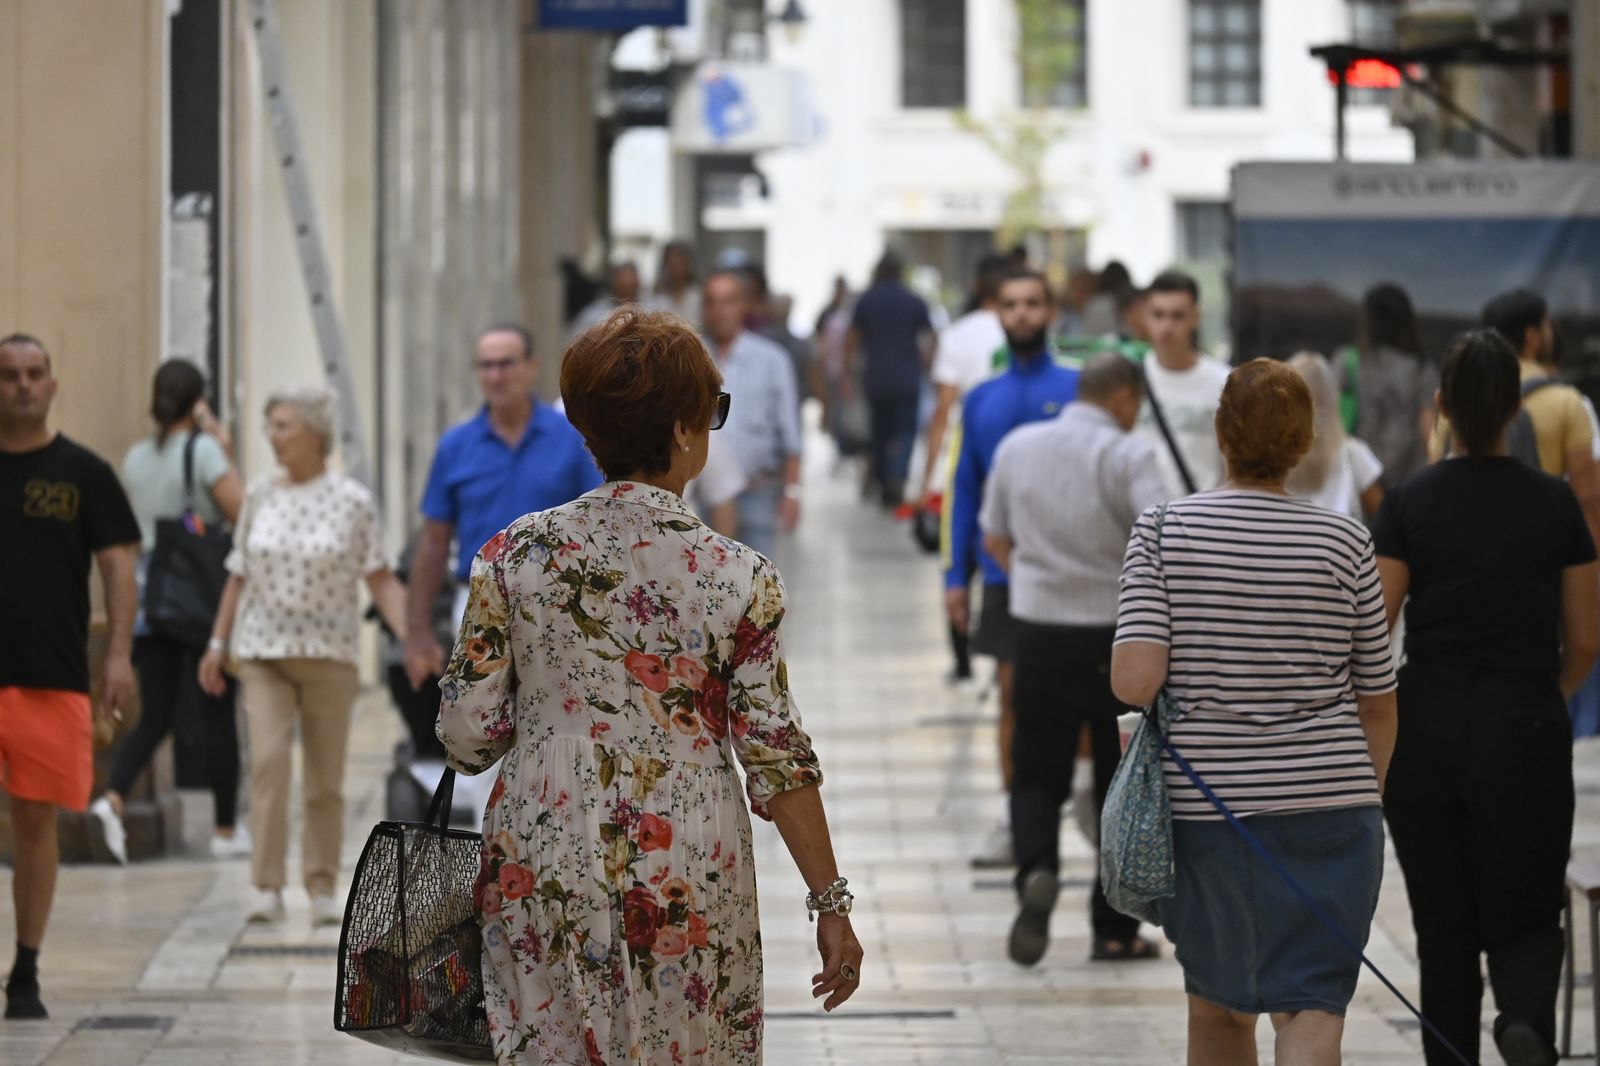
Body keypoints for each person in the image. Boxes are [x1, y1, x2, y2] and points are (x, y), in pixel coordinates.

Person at [437, 308, 862, 1064]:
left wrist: (547, 717)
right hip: (686, 859)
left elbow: (467, 734)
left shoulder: (512, 556)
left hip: (542, 848)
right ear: (682, 432)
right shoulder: (739, 577)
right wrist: (830, 904)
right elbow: (777, 759)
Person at [1111, 358, 1399, 1065]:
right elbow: (1379, 701)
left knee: (1220, 1007)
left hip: (1210, 815)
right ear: (1304, 442)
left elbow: (1134, 683)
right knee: (1312, 1008)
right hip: (1335, 810)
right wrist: (1361, 799)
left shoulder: (1164, 530)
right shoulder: (1346, 540)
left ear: (1220, 432)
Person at [1374, 330, 1600, 1066]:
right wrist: (1547, 690)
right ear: (1513, 411)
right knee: (1529, 904)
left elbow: (1374, 629)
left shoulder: (1408, 502)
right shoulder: (1556, 506)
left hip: (1429, 728)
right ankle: (1524, 1019)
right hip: (1526, 723)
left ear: (1441, 406)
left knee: (1444, 926)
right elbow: (1588, 638)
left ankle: (1452, 1055)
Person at [197, 386, 409, 925]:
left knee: (324, 779)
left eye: (284, 425)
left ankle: (319, 886)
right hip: (264, 651)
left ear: (316, 434)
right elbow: (237, 573)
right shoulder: (261, 496)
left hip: (329, 656)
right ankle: (266, 886)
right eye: (271, 426)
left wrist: (415, 641)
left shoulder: (352, 501)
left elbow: (380, 579)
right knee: (267, 764)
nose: (273, 436)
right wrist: (217, 643)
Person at [980, 353, 1166, 965]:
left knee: (1036, 770)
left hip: (1038, 633)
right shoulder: (1129, 455)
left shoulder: (1019, 446)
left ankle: (1037, 868)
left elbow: (995, 537)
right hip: (1119, 641)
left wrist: (1037, 583)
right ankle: (1112, 928)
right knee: (1120, 781)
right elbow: (1162, 537)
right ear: (1123, 398)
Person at [0, 334, 140, 1019]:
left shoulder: (84, 472)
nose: (22, 386)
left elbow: (118, 566)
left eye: (33, 375)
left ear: (52, 384)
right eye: (8, 376)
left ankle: (24, 970)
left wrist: (116, 656)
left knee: (35, 820)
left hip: (50, 675)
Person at [946, 269, 1081, 867]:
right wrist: (957, 575)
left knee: (1082, 700)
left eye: (1032, 304)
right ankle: (1014, 818)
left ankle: (1079, 801)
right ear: (997, 313)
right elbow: (966, 489)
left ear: (1051, 312)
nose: (1022, 314)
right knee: (1011, 697)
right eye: (1011, 304)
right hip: (1005, 578)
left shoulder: (1082, 391)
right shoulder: (981, 398)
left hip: (1076, 577)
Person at [90, 360, 247, 865]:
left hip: (152, 597)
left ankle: (112, 798)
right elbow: (243, 515)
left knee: (155, 713)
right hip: (202, 600)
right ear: (197, 401)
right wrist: (222, 446)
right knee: (218, 710)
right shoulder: (202, 451)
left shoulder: (136, 457)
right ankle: (224, 831)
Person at [403, 324, 601, 690]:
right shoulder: (455, 446)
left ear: (532, 366)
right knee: (480, 720)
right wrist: (416, 633)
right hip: (478, 603)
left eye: (506, 364)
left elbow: (598, 528)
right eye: (486, 366)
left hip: (557, 602)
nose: (496, 376)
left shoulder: (572, 439)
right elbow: (433, 543)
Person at [920, 254, 1008, 688]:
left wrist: (926, 479)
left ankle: (961, 659)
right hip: (1009, 462)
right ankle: (1006, 657)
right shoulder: (1025, 335)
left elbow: (942, 409)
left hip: (961, 463)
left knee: (956, 559)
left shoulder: (957, 335)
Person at [702, 269, 803, 557]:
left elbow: (791, 434)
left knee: (758, 591)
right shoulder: (691, 359)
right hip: (705, 497)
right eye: (713, 302)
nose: (721, 311)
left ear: (743, 305)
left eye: (729, 301)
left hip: (758, 491)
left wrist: (792, 492)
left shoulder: (772, 360)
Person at [845, 250, 934, 508]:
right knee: (906, 432)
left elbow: (852, 339)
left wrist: (846, 373)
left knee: (880, 433)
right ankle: (898, 477)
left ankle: (885, 482)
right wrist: (926, 364)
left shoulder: (867, 300)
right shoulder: (914, 300)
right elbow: (930, 336)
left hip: (876, 378)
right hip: (907, 377)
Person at [1136, 270, 1231, 498]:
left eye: (1178, 316)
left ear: (1196, 317)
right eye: (1158, 315)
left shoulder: (1226, 383)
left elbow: (1234, 467)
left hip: (1201, 522)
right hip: (1138, 523)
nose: (1166, 326)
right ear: (1145, 317)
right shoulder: (1129, 379)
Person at [1350, 283, 1436, 489]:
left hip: (1361, 475)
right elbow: (1429, 426)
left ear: (1369, 321)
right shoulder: (1422, 367)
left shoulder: (1350, 363)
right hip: (1410, 478)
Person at [1285, 352, 1385, 520]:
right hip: (1340, 543)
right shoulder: (1354, 453)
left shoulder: (1273, 457)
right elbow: (1383, 515)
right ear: (1333, 397)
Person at [569, 261, 643, 339]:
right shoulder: (592, 316)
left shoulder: (650, 311)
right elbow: (574, 343)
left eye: (630, 288)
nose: (626, 298)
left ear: (638, 284)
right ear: (613, 285)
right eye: (622, 287)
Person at [645, 239, 701, 325]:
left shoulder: (699, 297)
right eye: (672, 263)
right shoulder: (656, 300)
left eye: (680, 263)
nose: (676, 269)